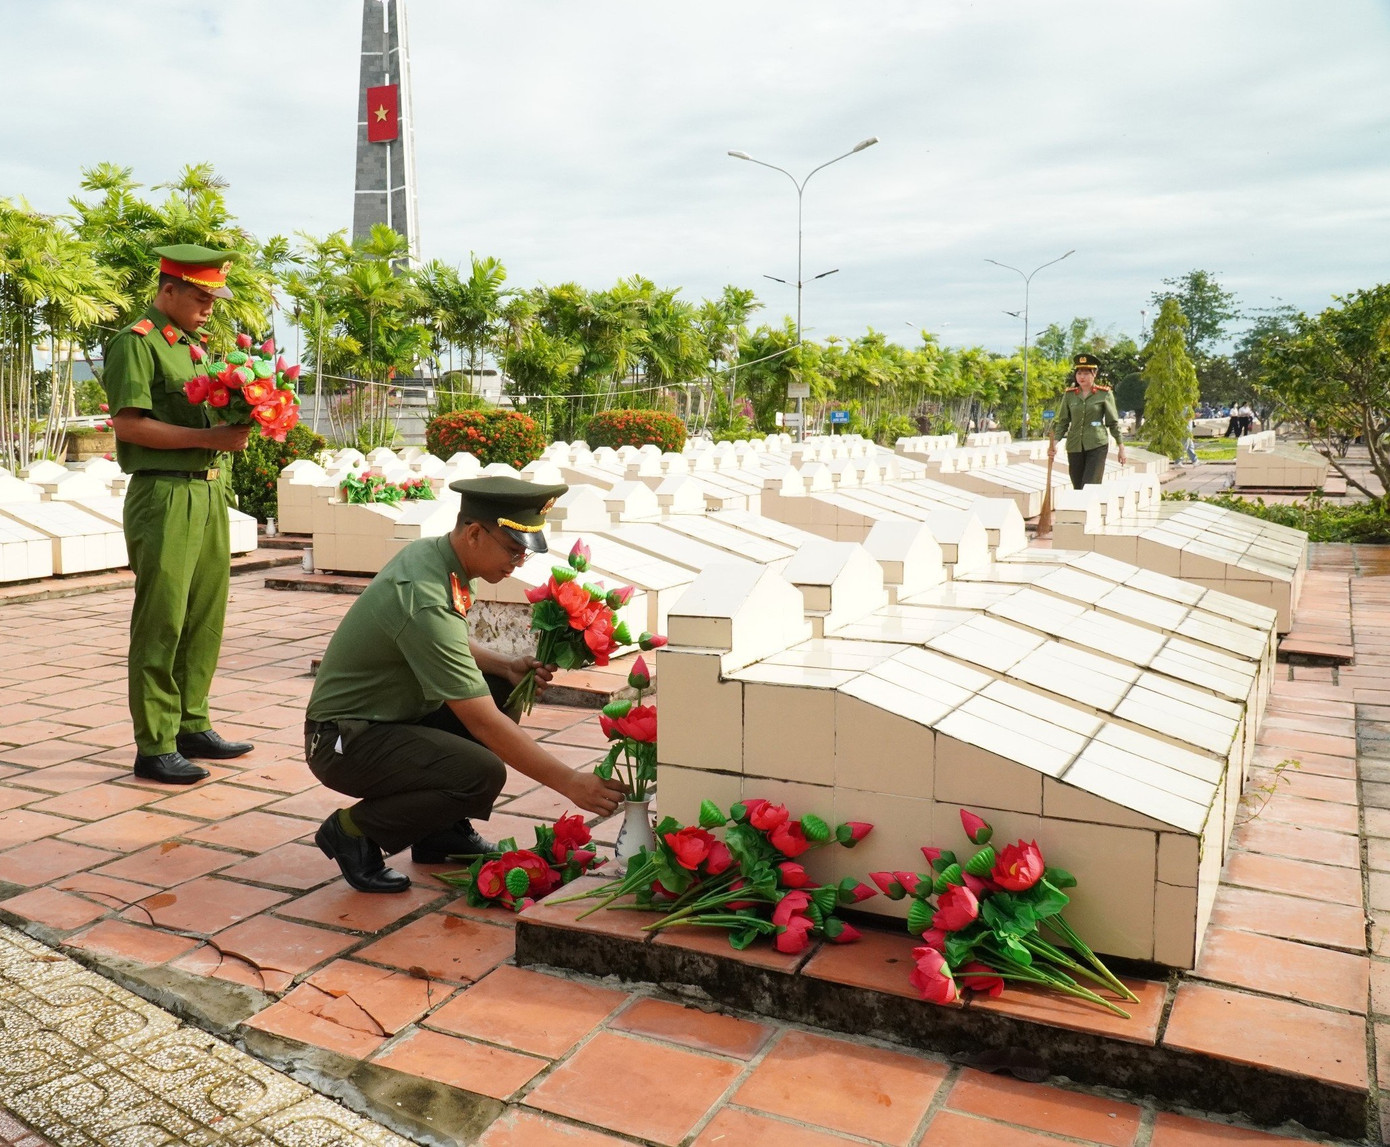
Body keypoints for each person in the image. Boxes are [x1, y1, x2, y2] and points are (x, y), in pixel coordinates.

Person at [304, 476, 628, 893]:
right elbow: (483, 723)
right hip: (344, 740)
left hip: (389, 717)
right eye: (513, 550)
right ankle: (352, 832)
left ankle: (438, 832)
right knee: (480, 774)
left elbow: (446, 642)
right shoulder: (422, 593)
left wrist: (507, 665)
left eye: (524, 553)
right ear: (475, 533)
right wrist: (570, 782)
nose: (518, 563)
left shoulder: (441, 558)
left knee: (501, 685)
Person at [103, 244, 256, 785]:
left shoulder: (195, 348)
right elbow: (129, 425)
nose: (209, 307)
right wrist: (210, 436)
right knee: (162, 620)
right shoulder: (136, 344)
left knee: (204, 617)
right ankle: (155, 744)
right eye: (199, 297)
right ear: (167, 290)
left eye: (213, 298)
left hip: (208, 492)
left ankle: (192, 722)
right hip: (163, 494)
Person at [1047, 353, 1126, 489]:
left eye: (1086, 373)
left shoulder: (1104, 394)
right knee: (1077, 486)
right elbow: (1063, 422)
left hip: (1097, 444)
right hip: (1074, 445)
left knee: (1090, 485)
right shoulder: (1069, 395)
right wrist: (1054, 444)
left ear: (1094, 374)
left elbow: (1113, 423)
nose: (1081, 377)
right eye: (1079, 373)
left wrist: (1121, 448)